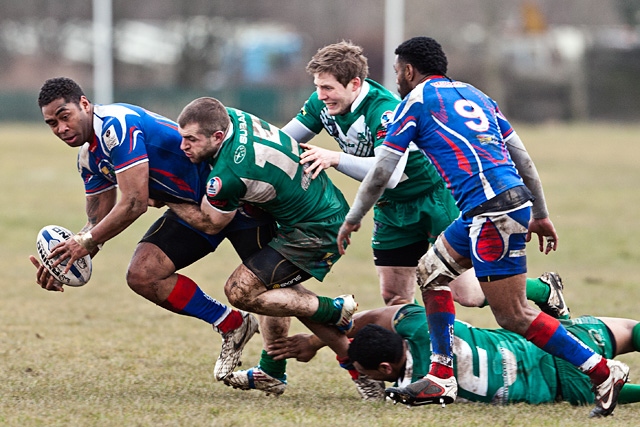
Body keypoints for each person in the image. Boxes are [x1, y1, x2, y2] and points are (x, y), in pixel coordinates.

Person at [336, 37, 628, 417]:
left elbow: (381, 173)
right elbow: (523, 160)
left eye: (397, 73)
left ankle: (604, 371)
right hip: (494, 208)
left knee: (514, 315)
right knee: (431, 272)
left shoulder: (415, 103)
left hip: (492, 214)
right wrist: (539, 213)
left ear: (409, 71)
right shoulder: (478, 96)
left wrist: (353, 217)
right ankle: (442, 375)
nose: (396, 81)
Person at [281, 41, 569, 319]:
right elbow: (283, 140)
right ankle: (417, 360)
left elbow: (390, 175)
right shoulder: (321, 103)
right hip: (390, 207)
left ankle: (543, 290)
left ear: (354, 84)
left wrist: (334, 158)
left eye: (328, 88)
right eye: (318, 87)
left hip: (432, 199)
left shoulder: (385, 111)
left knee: (465, 293)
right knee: (395, 297)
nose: (320, 95)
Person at [31, 77, 276, 382]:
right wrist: (64, 261)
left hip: (233, 197)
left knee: (274, 290)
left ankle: (341, 343)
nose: (60, 128)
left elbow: (134, 202)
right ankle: (232, 324)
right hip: (190, 209)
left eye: (64, 116)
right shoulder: (87, 159)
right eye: (51, 123)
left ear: (84, 104)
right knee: (143, 274)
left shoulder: (116, 126)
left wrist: (86, 241)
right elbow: (95, 225)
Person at [170, 96, 362, 397]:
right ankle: (271, 371)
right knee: (272, 288)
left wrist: (167, 198)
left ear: (218, 136)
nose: (183, 147)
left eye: (191, 140)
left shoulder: (227, 176)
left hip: (316, 231)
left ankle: (333, 311)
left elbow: (212, 222)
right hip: (320, 204)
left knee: (240, 291)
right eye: (183, 138)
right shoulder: (230, 115)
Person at [268, 303, 640, 408]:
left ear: (386, 368)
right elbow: (378, 315)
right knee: (630, 331)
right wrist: (317, 340)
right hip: (554, 343)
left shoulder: (417, 389)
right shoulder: (417, 327)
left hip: (565, 387)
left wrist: (322, 343)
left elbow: (355, 356)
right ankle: (543, 293)